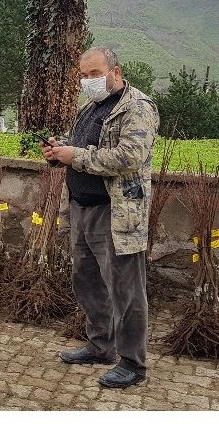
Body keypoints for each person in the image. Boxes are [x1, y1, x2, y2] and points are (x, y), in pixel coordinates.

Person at [43, 46, 159, 389]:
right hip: (82, 208)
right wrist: (58, 152)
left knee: (126, 289)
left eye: (95, 74)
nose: (88, 81)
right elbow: (84, 147)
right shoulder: (92, 107)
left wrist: (74, 156)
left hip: (117, 215)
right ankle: (101, 344)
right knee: (88, 281)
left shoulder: (137, 107)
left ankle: (133, 363)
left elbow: (129, 157)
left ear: (116, 72)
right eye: (84, 75)